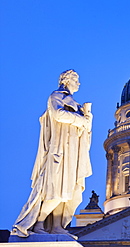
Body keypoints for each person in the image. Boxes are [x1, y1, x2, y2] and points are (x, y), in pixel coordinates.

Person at [12, 70, 92, 237]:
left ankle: (57, 226)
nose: (79, 83)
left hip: (73, 152)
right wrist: (80, 119)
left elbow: (84, 131)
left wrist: (87, 118)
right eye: (76, 80)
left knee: (69, 192)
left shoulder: (76, 105)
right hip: (60, 149)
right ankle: (39, 222)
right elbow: (57, 114)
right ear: (66, 80)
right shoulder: (57, 96)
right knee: (56, 189)